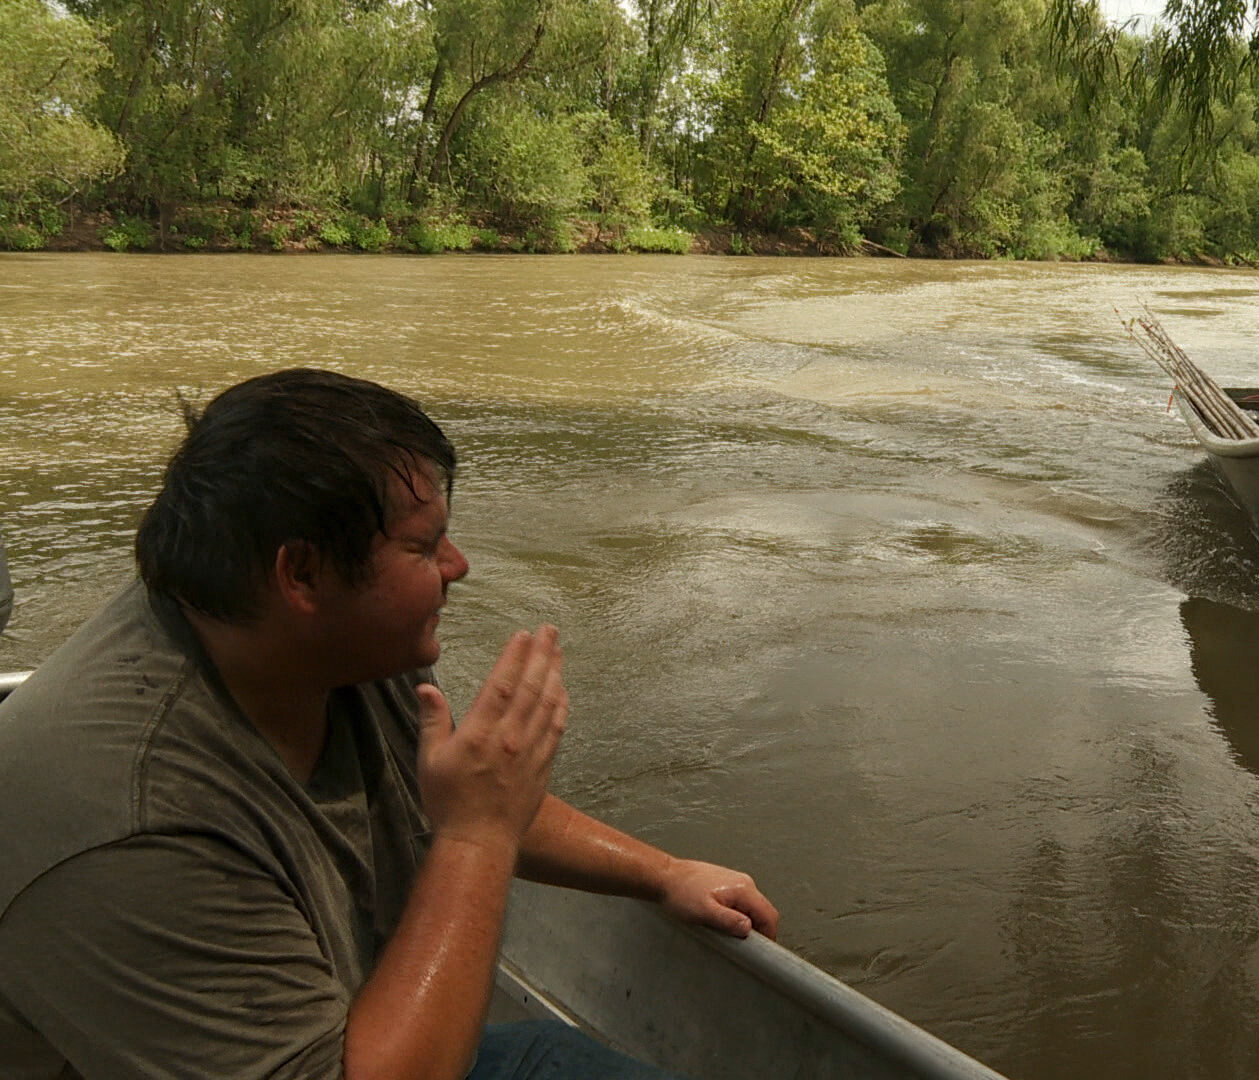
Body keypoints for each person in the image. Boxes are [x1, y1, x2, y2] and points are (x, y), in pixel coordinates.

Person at [0, 369, 780, 1080]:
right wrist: (475, 836)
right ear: (301, 573)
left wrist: (665, 873)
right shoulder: (138, 823)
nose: (458, 566)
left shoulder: (318, 639)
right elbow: (473, 818)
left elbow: (456, 793)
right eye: (423, 546)